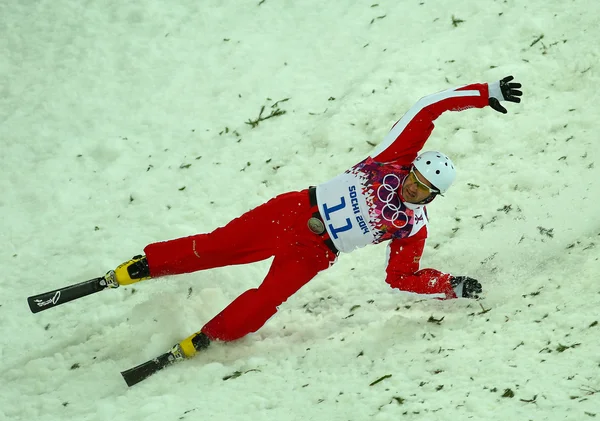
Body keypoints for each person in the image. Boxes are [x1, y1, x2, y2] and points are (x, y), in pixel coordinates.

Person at [112, 76, 523, 360]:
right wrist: (484, 93)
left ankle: (210, 337)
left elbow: (401, 276)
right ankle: (148, 263)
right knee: (218, 247)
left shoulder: (411, 226)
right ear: (413, 167)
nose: (412, 189)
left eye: (423, 190)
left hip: (315, 253)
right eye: (414, 179)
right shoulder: (391, 158)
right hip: (294, 212)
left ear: (434, 196)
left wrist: (449, 285)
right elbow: (428, 108)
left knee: (266, 300)